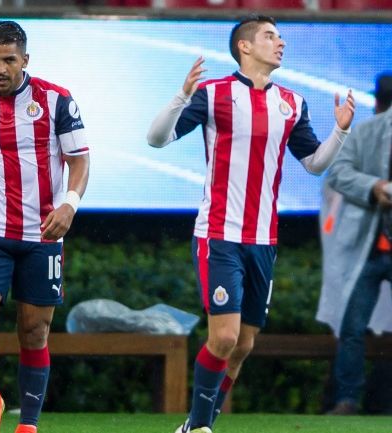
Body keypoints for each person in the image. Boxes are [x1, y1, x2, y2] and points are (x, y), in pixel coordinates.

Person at [146, 15, 355, 433]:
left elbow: (314, 164)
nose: (280, 43)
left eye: (279, 36)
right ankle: (199, 426)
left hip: (264, 240)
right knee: (223, 337)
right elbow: (156, 139)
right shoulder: (213, 94)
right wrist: (181, 97)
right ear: (244, 46)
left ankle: (198, 422)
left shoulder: (292, 104)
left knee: (242, 345)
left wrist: (341, 131)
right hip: (219, 234)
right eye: (270, 36)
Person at [0, 20, 90, 433]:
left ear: (25, 59)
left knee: (34, 330)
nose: (0, 69)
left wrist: (70, 204)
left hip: (43, 235)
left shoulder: (57, 100)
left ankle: (27, 425)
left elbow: (80, 160)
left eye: (9, 60)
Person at [318, 72, 392, 415]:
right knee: (352, 326)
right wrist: (375, 187)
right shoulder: (366, 132)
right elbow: (338, 174)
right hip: (369, 247)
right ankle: (346, 399)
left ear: (376, 100)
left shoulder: (364, 128)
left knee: (352, 328)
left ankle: (351, 399)